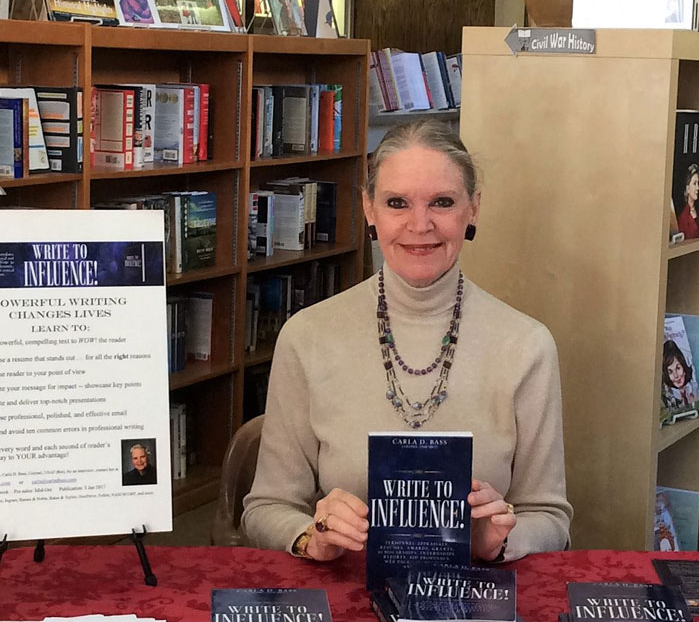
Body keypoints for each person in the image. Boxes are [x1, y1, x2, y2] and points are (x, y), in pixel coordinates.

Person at [242, 118, 572, 563]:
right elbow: (264, 509)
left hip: (473, 599)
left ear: (473, 209)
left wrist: (498, 540)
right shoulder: (307, 336)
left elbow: (549, 517)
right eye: (397, 202)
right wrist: (311, 536)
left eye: (442, 202)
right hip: (345, 598)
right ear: (368, 209)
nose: (420, 225)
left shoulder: (527, 345)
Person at [661, 340, 699, 417]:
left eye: (678, 368)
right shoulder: (668, 395)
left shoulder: (694, 388)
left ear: (684, 367)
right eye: (670, 372)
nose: (676, 376)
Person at [676, 163, 699, 239]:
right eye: (694, 183)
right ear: (687, 188)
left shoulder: (698, 211)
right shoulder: (683, 216)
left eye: (698, 183)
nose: (697, 188)